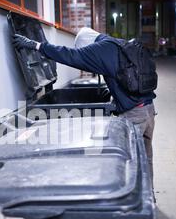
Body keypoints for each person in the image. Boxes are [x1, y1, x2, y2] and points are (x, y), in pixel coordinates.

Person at [13, 27, 157, 187]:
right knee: (145, 157)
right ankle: (148, 196)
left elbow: (70, 55)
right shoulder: (116, 43)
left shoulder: (100, 49)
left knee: (129, 162)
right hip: (148, 109)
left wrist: (36, 46)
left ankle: (133, 203)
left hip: (134, 115)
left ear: (86, 44)